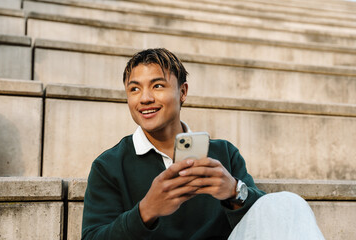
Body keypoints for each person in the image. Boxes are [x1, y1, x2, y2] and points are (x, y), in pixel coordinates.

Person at [81, 48, 325, 240]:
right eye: (134, 89)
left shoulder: (223, 153)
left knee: (288, 203)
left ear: (183, 92)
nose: (145, 98)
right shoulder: (109, 165)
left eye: (157, 86)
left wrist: (233, 191)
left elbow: (264, 219)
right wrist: (146, 210)